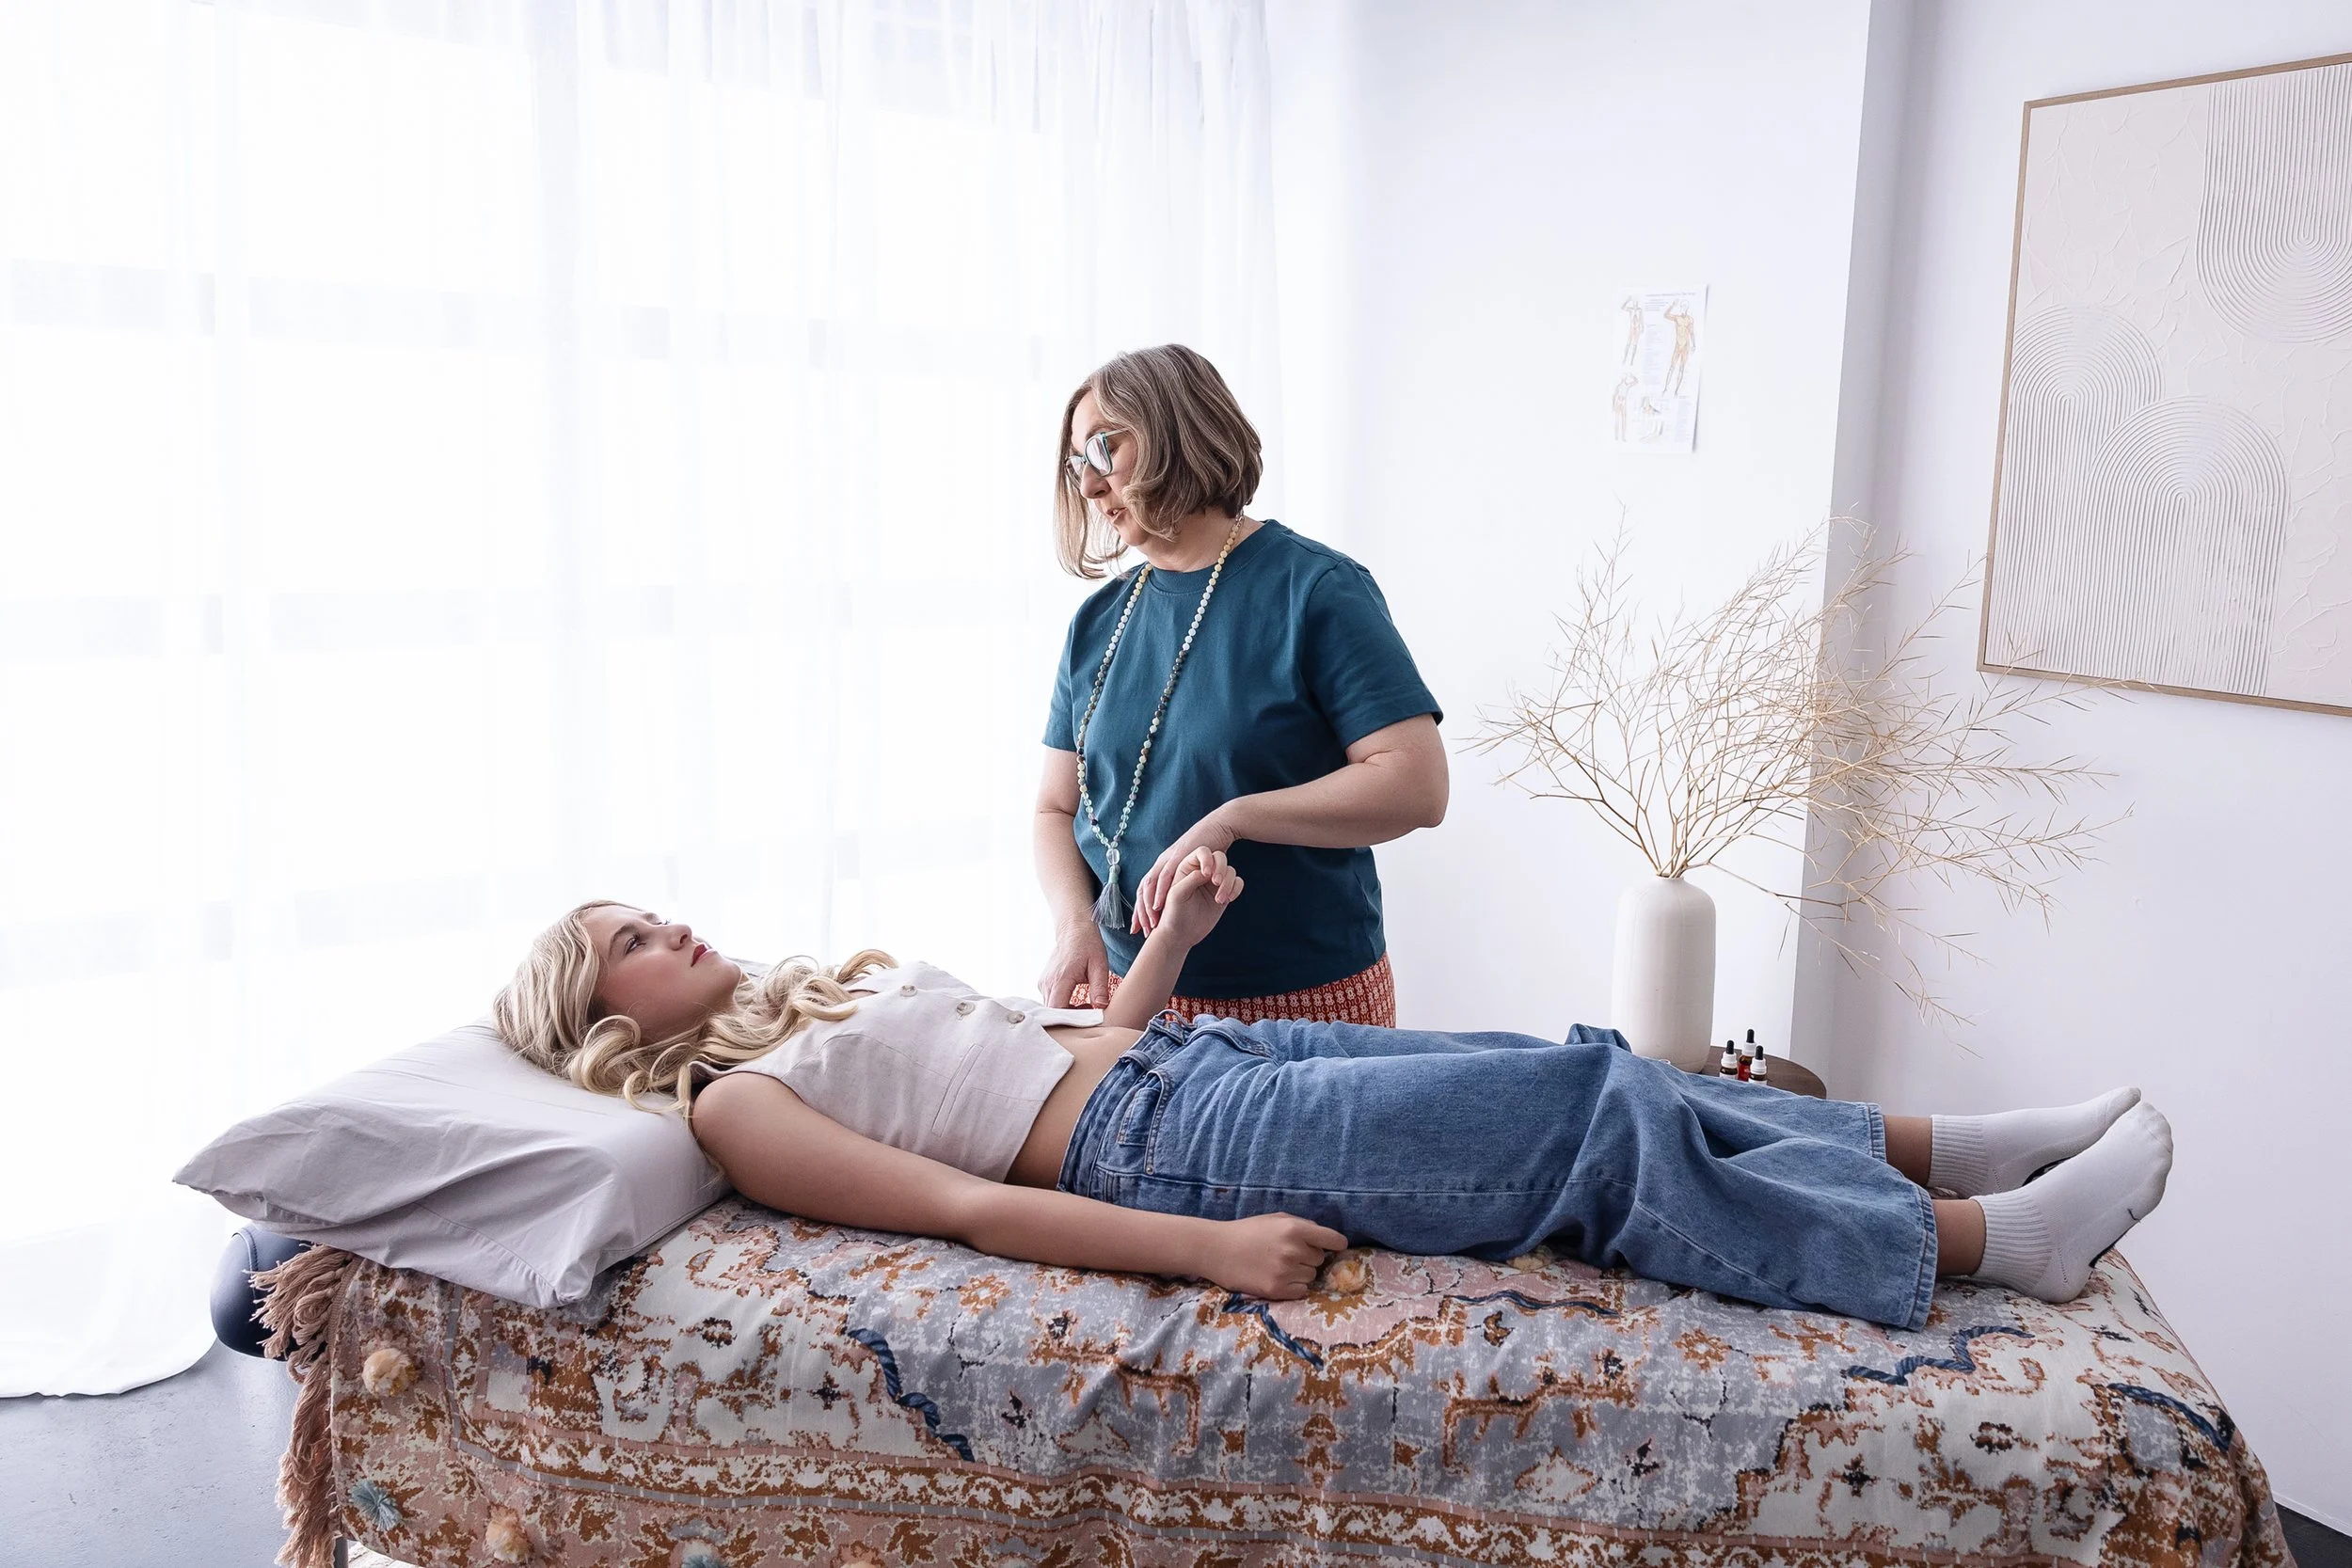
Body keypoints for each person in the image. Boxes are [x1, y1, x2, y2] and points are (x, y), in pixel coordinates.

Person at [493, 852, 2174, 1328]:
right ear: (603, 1016)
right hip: (1172, 1150)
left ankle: (1949, 1143)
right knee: (1581, 1137)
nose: (673, 922)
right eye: (635, 938)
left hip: (1196, 1056)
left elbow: (1043, 1044)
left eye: (652, 902)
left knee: (1580, 1063)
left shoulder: (823, 986)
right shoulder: (731, 1108)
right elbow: (967, 1202)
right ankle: (1963, 1245)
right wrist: (1208, 1256)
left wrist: (1174, 945)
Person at [1036, 344, 1445, 1028]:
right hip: (1132, 1004)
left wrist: (1234, 819)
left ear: (1175, 428)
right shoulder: (1098, 622)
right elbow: (1054, 807)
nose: (1088, 484)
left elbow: (1417, 785)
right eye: (1078, 462)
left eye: (1104, 449)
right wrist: (1074, 924)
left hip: (1302, 1010)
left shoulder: (1316, 589)